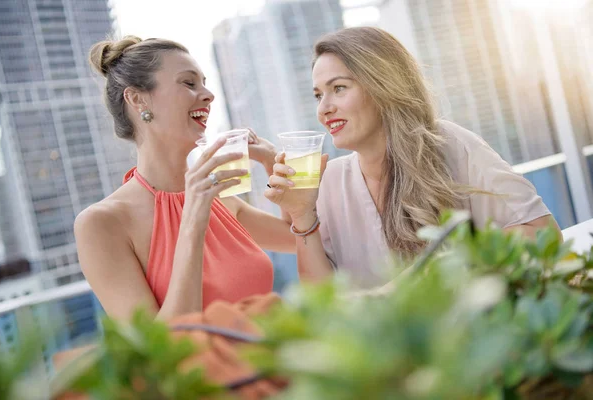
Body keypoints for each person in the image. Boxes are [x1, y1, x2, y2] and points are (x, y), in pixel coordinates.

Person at [265, 27, 561, 290]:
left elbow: (541, 233)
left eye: (338, 88)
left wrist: (428, 273)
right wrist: (302, 214)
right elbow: (323, 303)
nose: (324, 108)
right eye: (318, 95)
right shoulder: (327, 182)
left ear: (382, 86)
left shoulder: (450, 144)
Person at [75, 36, 294, 320]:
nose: (208, 95)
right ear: (137, 98)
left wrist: (271, 163)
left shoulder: (218, 196)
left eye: (204, 83)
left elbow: (300, 239)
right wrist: (192, 221)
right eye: (189, 83)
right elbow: (160, 348)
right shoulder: (101, 224)